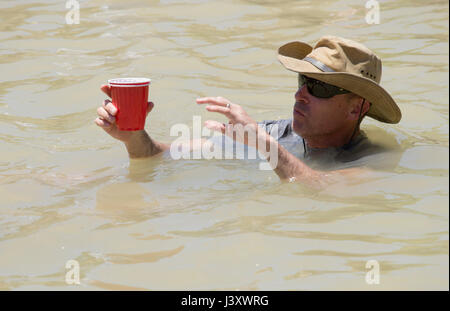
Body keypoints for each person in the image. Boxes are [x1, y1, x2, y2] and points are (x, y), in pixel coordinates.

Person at [95, 35, 401, 187]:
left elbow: (321, 189)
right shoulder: (274, 133)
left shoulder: (375, 159)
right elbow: (158, 155)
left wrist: (265, 147)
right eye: (302, 80)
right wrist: (132, 136)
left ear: (356, 107)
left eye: (319, 88)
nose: (300, 94)